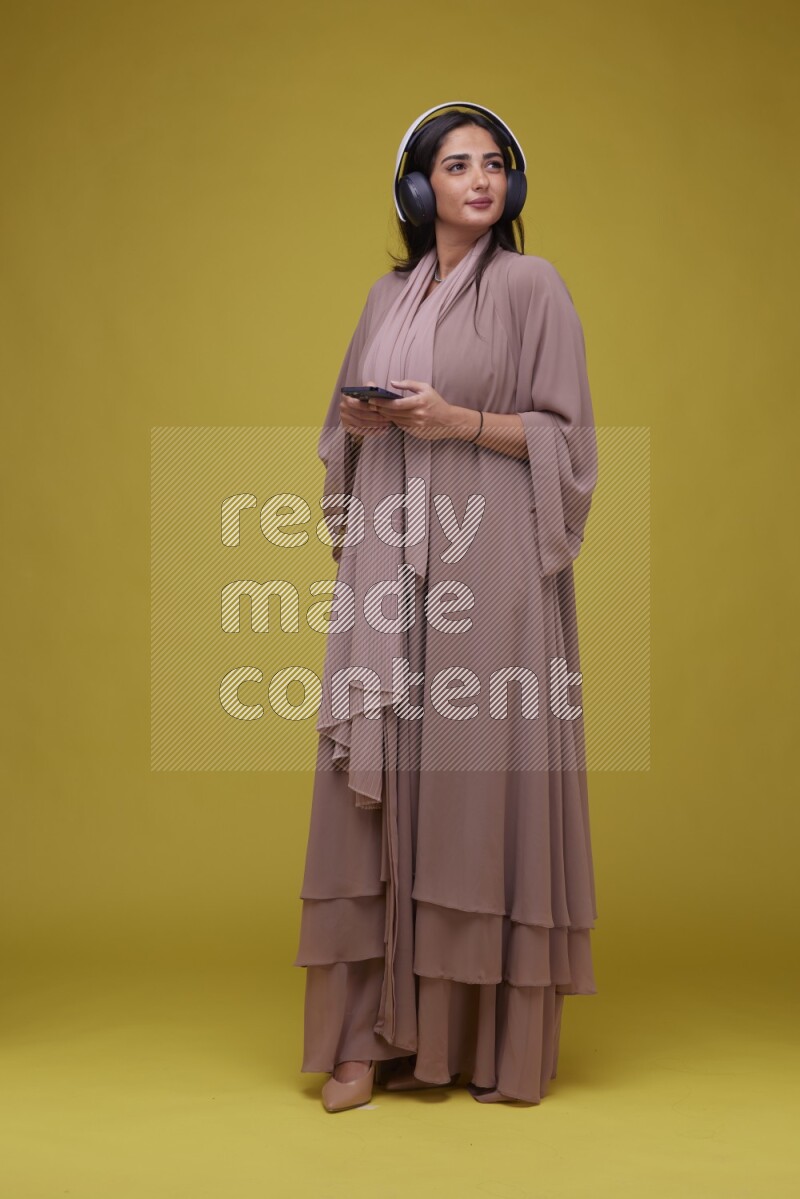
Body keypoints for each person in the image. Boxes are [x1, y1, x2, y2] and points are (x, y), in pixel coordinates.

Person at [292, 101, 599, 1111]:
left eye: (495, 165)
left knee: (472, 785)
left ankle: (475, 1043)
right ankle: (361, 1039)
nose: (480, 180)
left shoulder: (530, 285)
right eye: (456, 165)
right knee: (375, 776)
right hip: (392, 562)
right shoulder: (387, 293)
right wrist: (359, 419)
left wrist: (456, 419)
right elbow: (343, 427)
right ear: (418, 188)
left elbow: (565, 437)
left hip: (491, 562)